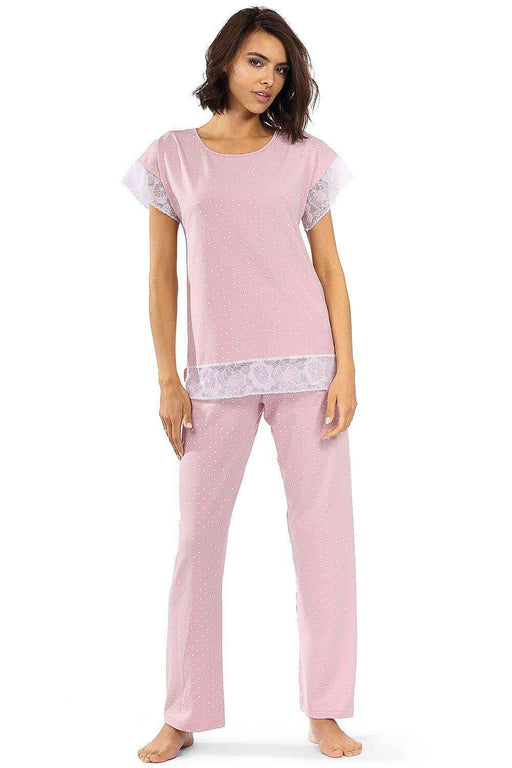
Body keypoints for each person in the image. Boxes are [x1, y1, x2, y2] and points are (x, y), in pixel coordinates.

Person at [122, 6, 362, 762]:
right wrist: (168, 376)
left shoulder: (305, 156)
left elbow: (330, 270)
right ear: (225, 60)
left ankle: (326, 709)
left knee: (323, 541)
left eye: (281, 69)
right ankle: (184, 711)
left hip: (307, 369)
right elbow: (161, 278)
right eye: (257, 62)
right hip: (212, 378)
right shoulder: (172, 157)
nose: (269, 80)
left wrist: (347, 367)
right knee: (197, 542)